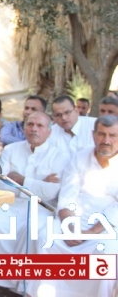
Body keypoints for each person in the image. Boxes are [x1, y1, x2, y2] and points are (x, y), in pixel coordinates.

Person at [0, 112, 70, 296]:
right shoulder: (11, 150)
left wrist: (22, 179)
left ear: (49, 132)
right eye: (30, 124)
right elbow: (0, 184)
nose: (34, 129)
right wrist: (39, 182)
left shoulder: (60, 155)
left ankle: (24, 289)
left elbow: (51, 192)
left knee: (34, 230)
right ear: (24, 127)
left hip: (41, 208)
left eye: (40, 126)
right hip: (9, 205)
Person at [28, 115, 118, 297]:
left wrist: (91, 232)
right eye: (101, 134)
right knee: (46, 237)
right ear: (93, 135)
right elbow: (67, 194)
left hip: (107, 226)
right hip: (73, 219)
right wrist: (71, 226)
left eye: (112, 135)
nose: (106, 140)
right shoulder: (80, 157)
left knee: (107, 252)